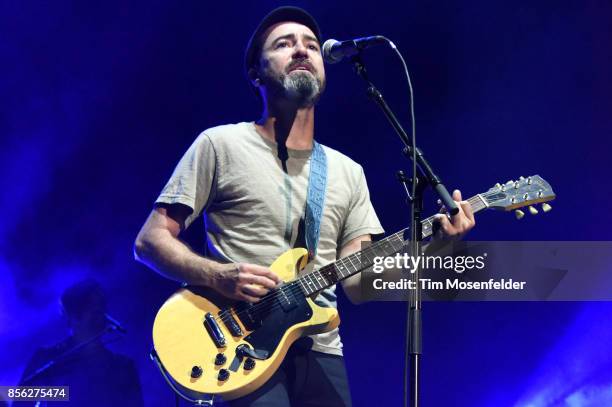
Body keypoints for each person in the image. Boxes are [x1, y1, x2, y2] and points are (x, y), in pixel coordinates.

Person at [134, 6, 475, 406]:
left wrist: (440, 244)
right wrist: (218, 275)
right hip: (237, 348)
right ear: (255, 73)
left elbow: (357, 283)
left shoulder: (348, 172)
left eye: (311, 45)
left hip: (321, 351)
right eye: (284, 44)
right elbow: (150, 241)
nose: (301, 51)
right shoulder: (219, 145)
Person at [17, 279, 144, 407]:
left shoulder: (122, 366)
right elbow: (20, 403)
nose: (102, 316)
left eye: (103, 308)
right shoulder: (47, 359)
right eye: (94, 310)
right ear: (73, 315)